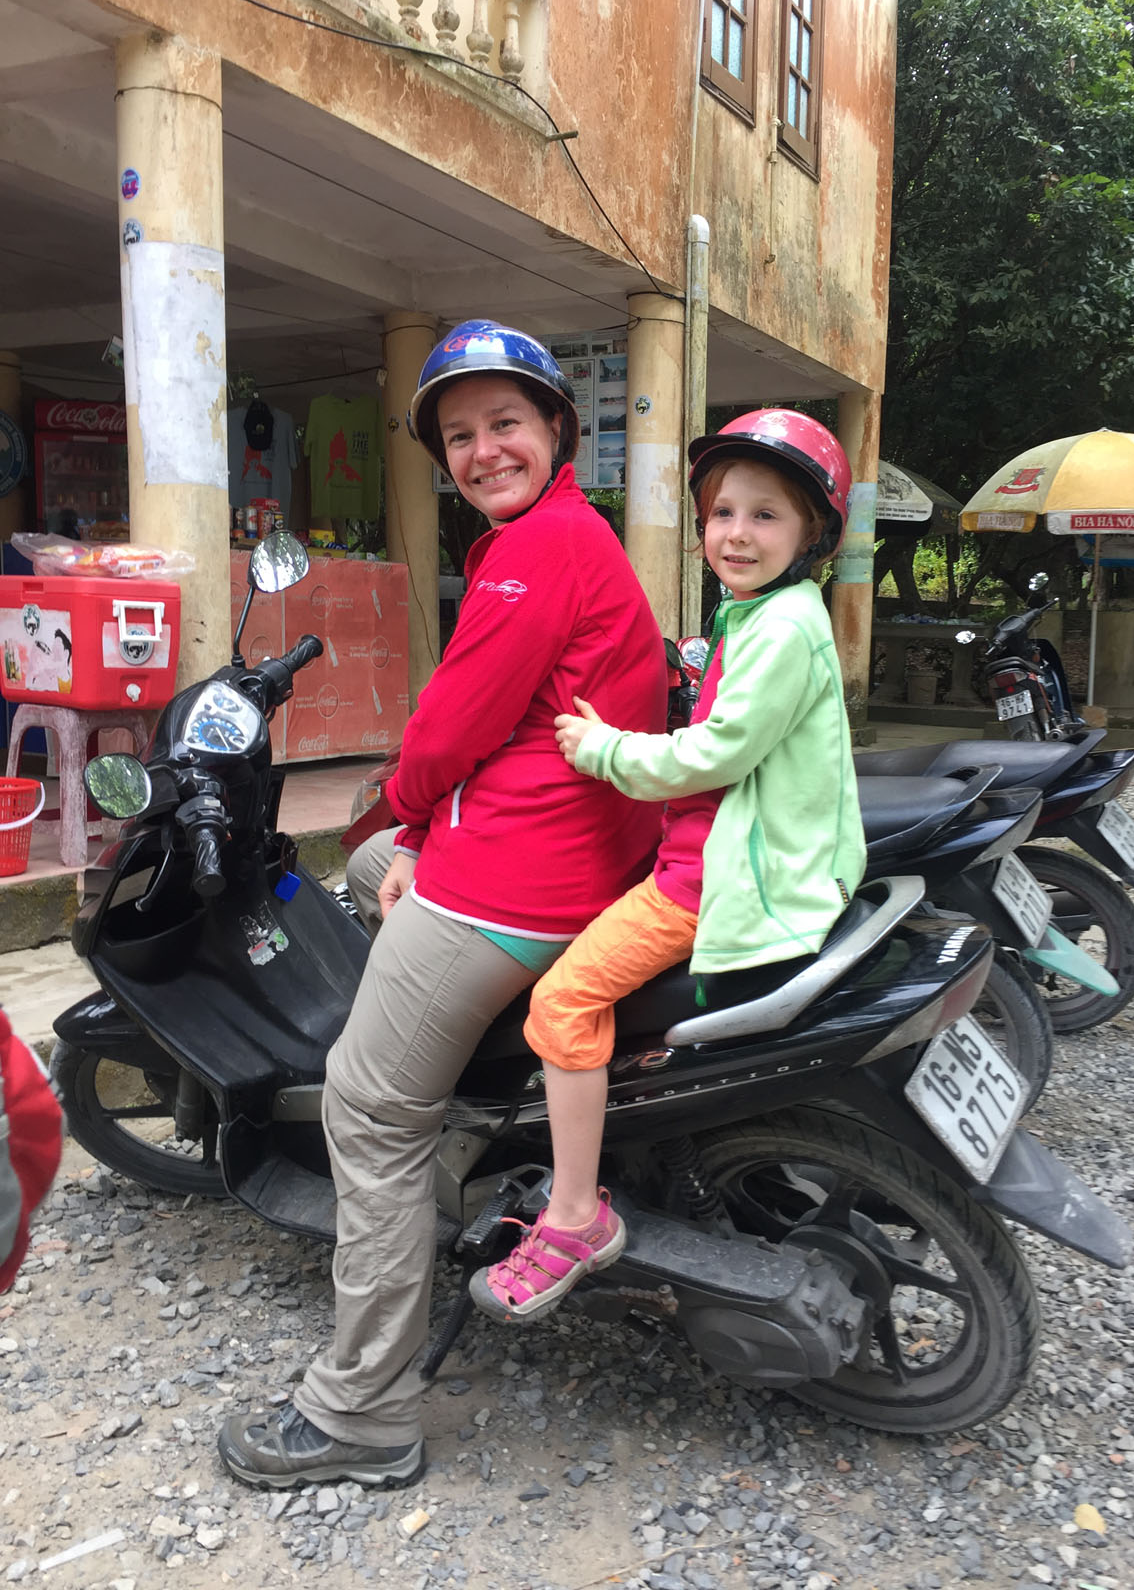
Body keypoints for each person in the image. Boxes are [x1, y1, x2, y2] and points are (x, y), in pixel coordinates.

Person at [219, 321, 666, 1488]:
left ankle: (361, 1412)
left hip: (521, 880)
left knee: (366, 1106)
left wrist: (398, 805)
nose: (483, 451)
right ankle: (464, 1108)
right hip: (565, 851)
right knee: (373, 871)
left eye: (504, 423)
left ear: (556, 428)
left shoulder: (531, 553)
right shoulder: (571, 534)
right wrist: (408, 839)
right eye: (459, 436)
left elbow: (450, 727)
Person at [469, 410, 868, 1322]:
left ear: (813, 533)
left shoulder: (781, 628)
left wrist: (605, 750)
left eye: (765, 516)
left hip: (707, 881)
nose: (736, 533)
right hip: (718, 854)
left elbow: (715, 754)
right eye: (722, 513)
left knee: (560, 1004)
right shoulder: (761, 613)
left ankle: (575, 1216)